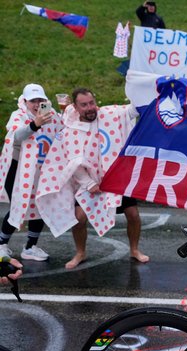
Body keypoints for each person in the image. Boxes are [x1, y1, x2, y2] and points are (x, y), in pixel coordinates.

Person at [35, 88, 149, 269]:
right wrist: (90, 183)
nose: (90, 108)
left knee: (133, 214)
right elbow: (73, 163)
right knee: (79, 218)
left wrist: (141, 88)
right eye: (84, 105)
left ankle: (134, 250)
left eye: (91, 103)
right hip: (89, 181)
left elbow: (131, 111)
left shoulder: (109, 114)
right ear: (75, 106)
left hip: (114, 178)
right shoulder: (70, 130)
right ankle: (80, 252)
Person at [0, 84, 62, 261]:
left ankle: (30, 247)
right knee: (18, 205)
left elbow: (62, 129)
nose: (37, 104)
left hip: (41, 167)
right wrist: (35, 125)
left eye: (40, 100)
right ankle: (2, 244)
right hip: (17, 167)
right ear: (25, 101)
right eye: (33, 101)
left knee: (41, 204)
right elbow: (16, 136)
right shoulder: (18, 115)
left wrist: (68, 114)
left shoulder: (50, 114)